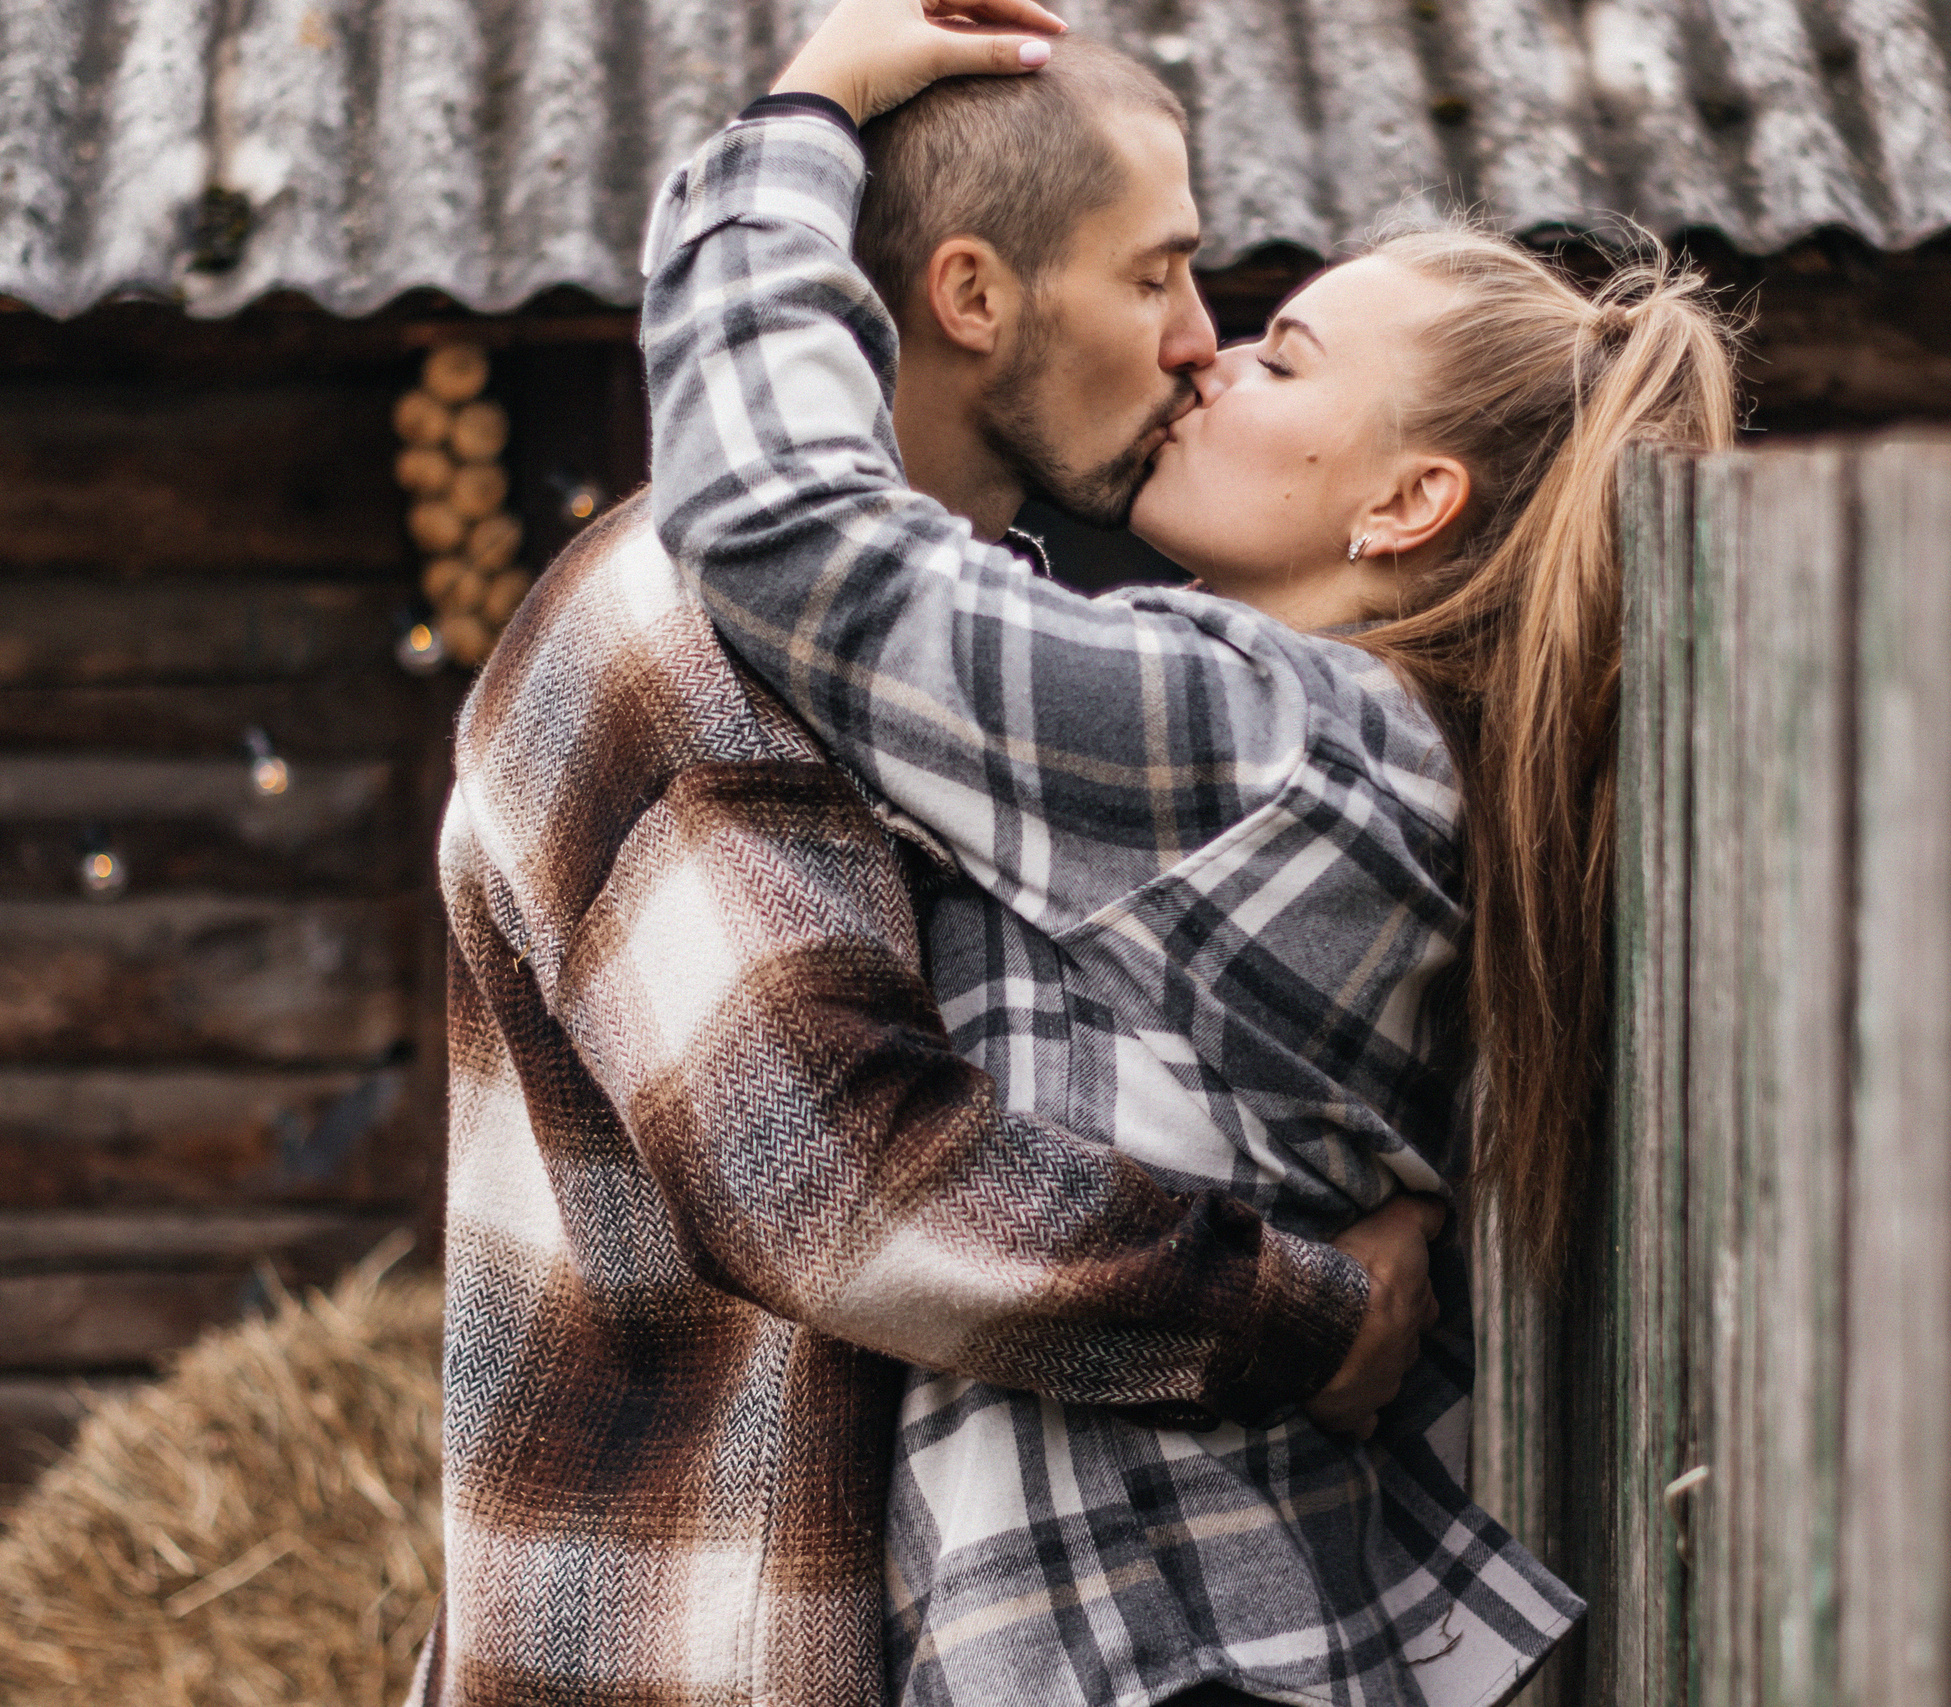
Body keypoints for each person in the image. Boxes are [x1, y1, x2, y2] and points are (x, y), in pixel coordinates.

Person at [645, 0, 1737, 1702]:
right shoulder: (1357, 753)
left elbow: (794, 536)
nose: (1206, 355)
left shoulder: (1269, 737)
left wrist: (799, 120)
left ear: (1405, 508)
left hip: (1157, 1657)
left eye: (1285, 359)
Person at [415, 13, 1452, 1707]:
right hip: (689, 1644)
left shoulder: (967, 660)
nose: (1202, 345)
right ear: (975, 299)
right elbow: (834, 1178)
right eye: (1158, 277)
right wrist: (1313, 1322)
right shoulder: (680, 632)